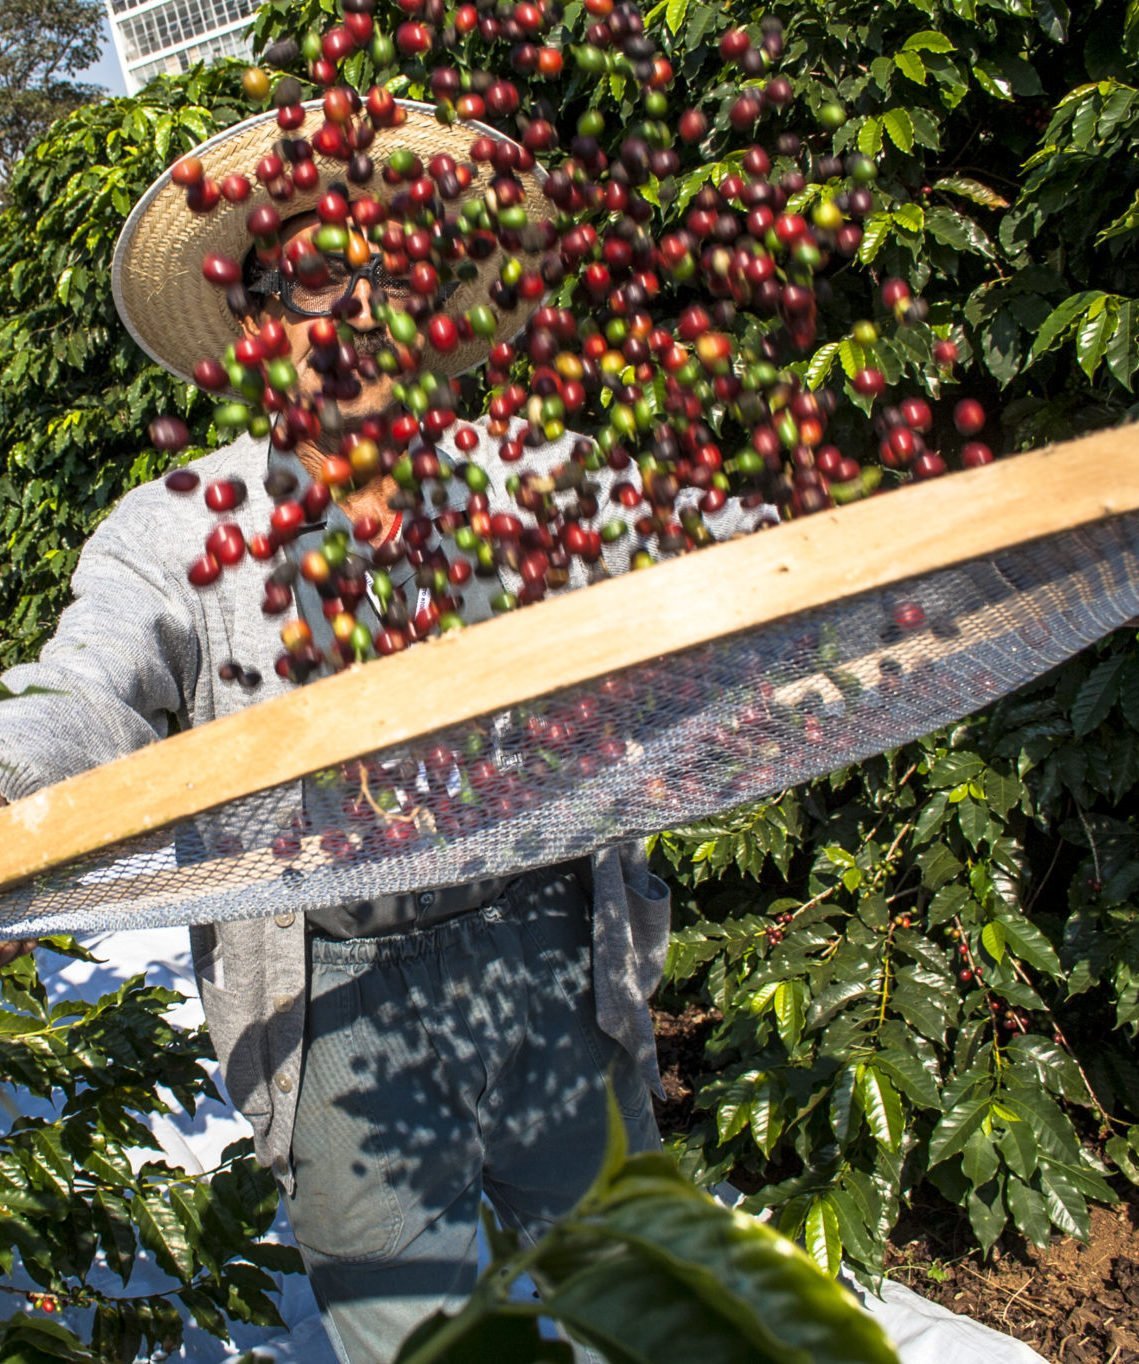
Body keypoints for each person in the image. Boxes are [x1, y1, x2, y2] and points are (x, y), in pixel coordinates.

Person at [0, 100, 771, 1362]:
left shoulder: (536, 482)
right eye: (314, 272)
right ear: (254, 317)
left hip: (551, 957)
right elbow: (82, 695)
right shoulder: (185, 530)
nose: (357, 307)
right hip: (336, 1002)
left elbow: (729, 565)